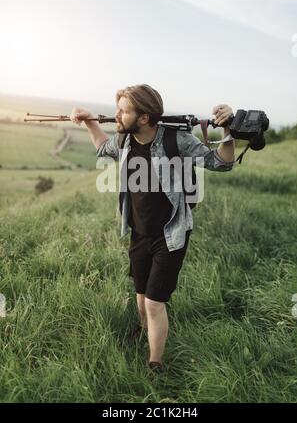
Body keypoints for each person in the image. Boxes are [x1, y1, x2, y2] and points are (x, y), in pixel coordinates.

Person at [70, 84, 235, 373]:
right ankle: (143, 329)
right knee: (141, 293)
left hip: (171, 235)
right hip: (138, 232)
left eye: (123, 111)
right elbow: (101, 147)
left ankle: (155, 363)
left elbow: (221, 163)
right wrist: (89, 122)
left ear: (144, 118)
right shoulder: (123, 140)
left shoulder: (176, 140)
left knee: (155, 303)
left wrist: (229, 129)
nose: (117, 116)